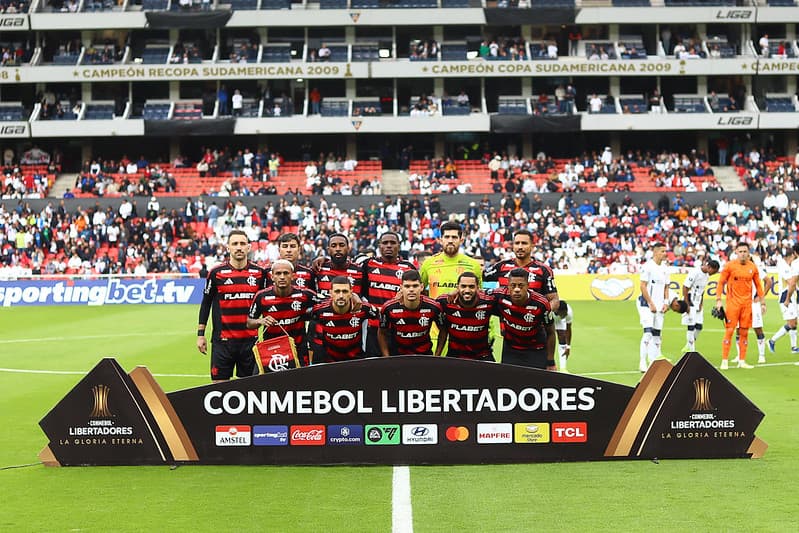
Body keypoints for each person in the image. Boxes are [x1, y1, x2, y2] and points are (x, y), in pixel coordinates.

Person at [197, 230, 267, 382]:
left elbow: (266, 303)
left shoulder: (260, 273)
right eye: (235, 244)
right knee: (219, 388)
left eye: (242, 243)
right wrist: (200, 335)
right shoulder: (216, 273)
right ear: (228, 248)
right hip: (223, 342)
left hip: (251, 342)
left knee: (250, 391)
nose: (239, 247)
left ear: (249, 247)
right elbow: (206, 303)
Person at [419, 220, 482, 354]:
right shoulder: (428, 264)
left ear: (461, 240)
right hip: (434, 331)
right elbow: (421, 293)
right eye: (447, 237)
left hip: (463, 333)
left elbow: (479, 297)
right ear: (440, 240)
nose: (450, 240)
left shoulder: (473, 265)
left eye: (454, 237)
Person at [246, 259, 318, 368]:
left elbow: (327, 303)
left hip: (298, 350)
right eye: (278, 273)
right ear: (272, 276)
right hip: (272, 352)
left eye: (286, 273)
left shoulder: (305, 295)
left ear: (293, 276)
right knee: (262, 384)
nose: (282, 277)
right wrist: (261, 321)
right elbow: (249, 323)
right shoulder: (261, 296)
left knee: (301, 384)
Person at [360, 232, 416, 357]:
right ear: (379, 246)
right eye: (385, 243)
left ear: (399, 246)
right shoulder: (368, 265)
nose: (389, 246)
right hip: (375, 328)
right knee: (375, 370)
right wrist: (322, 259)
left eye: (392, 243)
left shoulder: (408, 267)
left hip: (400, 329)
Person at [490, 268, 555, 370]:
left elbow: (551, 332)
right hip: (511, 350)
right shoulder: (499, 296)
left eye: (521, 285)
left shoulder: (542, 303)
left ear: (528, 286)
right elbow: (478, 295)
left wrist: (551, 362)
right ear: (508, 286)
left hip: (535, 350)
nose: (516, 289)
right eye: (513, 285)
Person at [715, 242, 765, 370]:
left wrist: (763, 302)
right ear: (736, 252)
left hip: (747, 305)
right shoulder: (730, 266)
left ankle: (742, 361)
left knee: (744, 332)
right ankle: (724, 360)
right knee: (730, 331)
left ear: (749, 253)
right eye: (740, 251)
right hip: (733, 304)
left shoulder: (752, 267)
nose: (743, 254)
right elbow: (720, 283)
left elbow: (759, 285)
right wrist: (718, 300)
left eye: (745, 251)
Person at [483, 228, 559, 311]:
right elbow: (479, 277)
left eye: (524, 243)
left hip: (533, 321)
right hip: (507, 322)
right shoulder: (501, 266)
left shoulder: (544, 270)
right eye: (517, 243)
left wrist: (542, 316)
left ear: (532, 246)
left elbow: (554, 300)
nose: (520, 247)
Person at [311, 276, 376, 363]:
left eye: (345, 291)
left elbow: (382, 315)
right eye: (337, 291)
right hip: (330, 362)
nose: (341, 296)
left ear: (351, 292)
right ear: (331, 293)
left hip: (355, 361)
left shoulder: (363, 308)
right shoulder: (319, 311)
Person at [379, 269, 443, 357]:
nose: (411, 290)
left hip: (424, 356)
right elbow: (381, 333)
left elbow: (443, 330)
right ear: (401, 288)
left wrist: (437, 355)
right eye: (407, 286)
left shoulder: (434, 307)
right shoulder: (388, 308)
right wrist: (386, 357)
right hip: (398, 357)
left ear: (422, 287)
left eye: (415, 286)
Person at [435, 271, 495, 362]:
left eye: (471, 287)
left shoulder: (489, 301)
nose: (467, 290)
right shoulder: (445, 302)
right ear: (457, 287)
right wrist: (437, 356)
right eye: (463, 286)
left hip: (482, 357)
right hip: (455, 357)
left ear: (478, 288)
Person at [734, 254, 772, 364]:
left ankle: (761, 355)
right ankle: (739, 355)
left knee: (757, 328)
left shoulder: (756, 269)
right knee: (739, 330)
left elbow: (769, 282)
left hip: (752, 304)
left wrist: (761, 297)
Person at [637, 242, 669, 373]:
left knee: (657, 334)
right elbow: (642, 286)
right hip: (646, 304)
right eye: (662, 251)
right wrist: (650, 303)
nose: (665, 254)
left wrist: (666, 302)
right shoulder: (648, 267)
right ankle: (642, 361)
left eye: (665, 251)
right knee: (648, 332)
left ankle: (654, 361)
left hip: (660, 304)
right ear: (655, 252)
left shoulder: (666, 268)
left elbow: (666, 286)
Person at [680, 259, 721, 353]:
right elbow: (685, 287)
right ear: (709, 267)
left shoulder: (706, 275)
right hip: (690, 300)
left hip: (698, 302)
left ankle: (688, 345)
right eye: (713, 272)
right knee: (691, 325)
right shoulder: (695, 272)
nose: (713, 274)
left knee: (699, 326)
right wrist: (687, 304)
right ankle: (691, 350)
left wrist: (701, 303)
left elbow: (702, 291)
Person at [768, 244, 799, 354]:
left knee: (794, 322)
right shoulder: (783, 266)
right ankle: (772, 340)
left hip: (792, 297)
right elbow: (791, 282)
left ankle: (794, 347)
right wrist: (787, 299)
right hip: (785, 297)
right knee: (791, 323)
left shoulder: (789, 265)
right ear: (791, 256)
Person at [314, 233, 363, 298]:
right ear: (328, 250)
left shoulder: (359, 270)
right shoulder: (319, 268)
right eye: (334, 246)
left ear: (348, 248)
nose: (338, 249)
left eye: (341, 245)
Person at [554, 300, 573, 372]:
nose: (566, 315)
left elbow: (568, 329)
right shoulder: (549, 309)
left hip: (558, 320)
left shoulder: (568, 313)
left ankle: (563, 368)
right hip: (548, 319)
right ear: (558, 311)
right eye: (564, 314)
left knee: (562, 338)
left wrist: (568, 346)